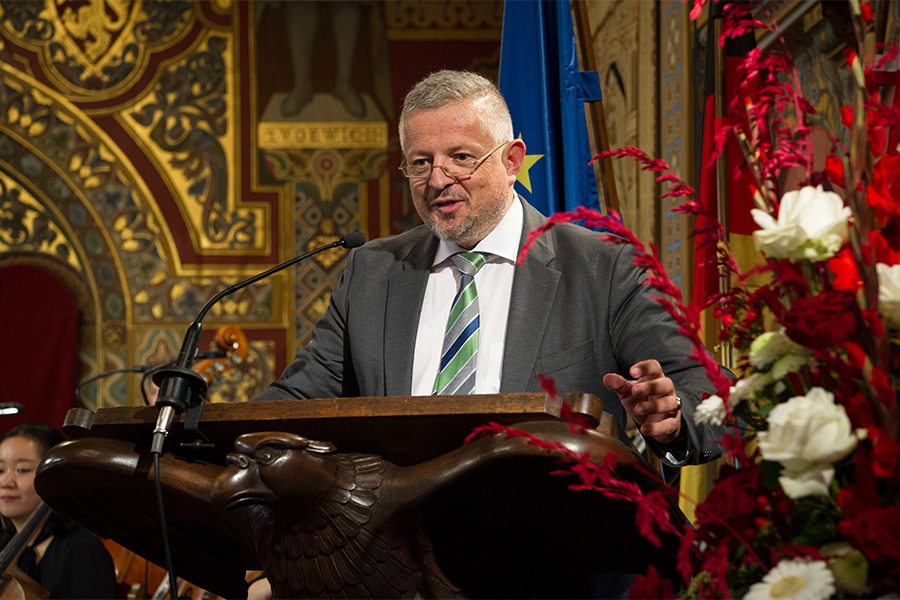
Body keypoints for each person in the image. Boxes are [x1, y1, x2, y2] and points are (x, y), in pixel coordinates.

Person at [254, 69, 726, 466]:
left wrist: (674, 415)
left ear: (512, 160)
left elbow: (705, 394)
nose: (438, 179)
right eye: (421, 162)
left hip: (554, 547)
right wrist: (196, 428)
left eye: (460, 157)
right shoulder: (372, 272)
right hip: (397, 553)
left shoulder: (603, 267)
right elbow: (299, 403)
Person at [0, 423, 117, 600]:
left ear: (53, 474)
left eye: (22, 470)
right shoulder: (4, 546)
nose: (6, 482)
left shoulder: (82, 551)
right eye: (0, 470)